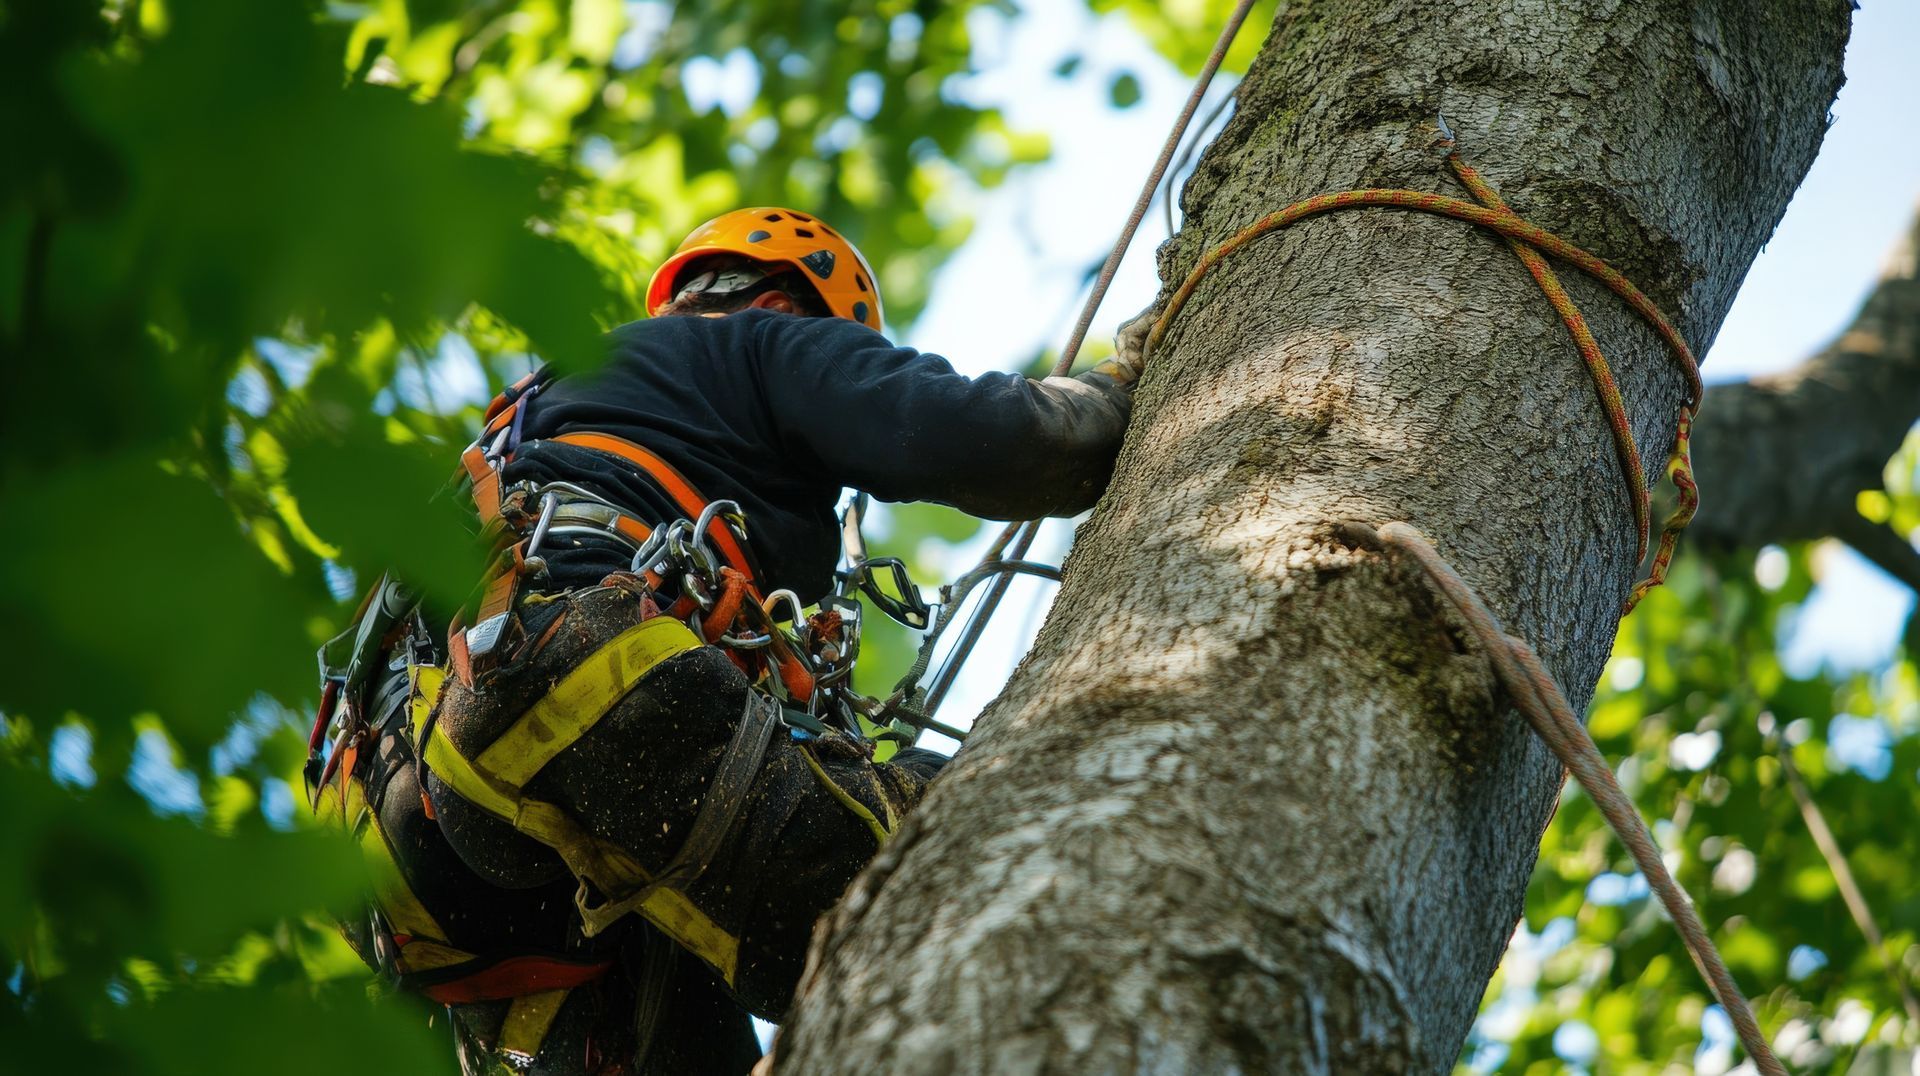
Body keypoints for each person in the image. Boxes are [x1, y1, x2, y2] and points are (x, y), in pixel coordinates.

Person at [309, 207, 1143, 1073]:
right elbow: (1005, 440)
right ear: (786, 304)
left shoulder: (537, 420)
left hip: (398, 842)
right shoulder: (758, 341)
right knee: (962, 829)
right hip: (571, 685)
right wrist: (1114, 392)